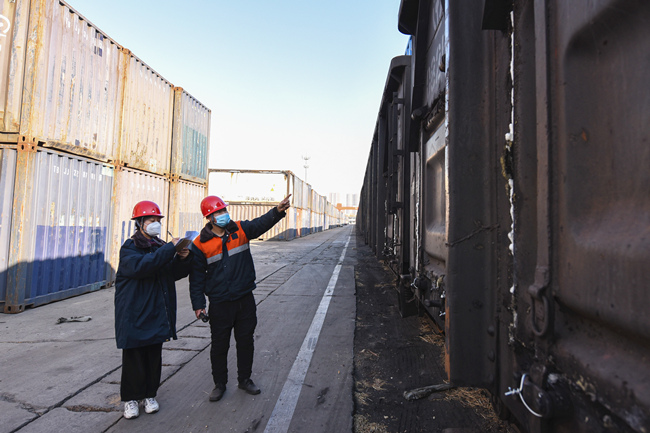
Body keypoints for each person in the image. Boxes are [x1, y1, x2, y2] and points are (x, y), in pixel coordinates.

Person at [189, 194, 291, 402]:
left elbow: (261, 224)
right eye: (218, 212)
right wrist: (199, 305)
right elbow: (196, 278)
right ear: (209, 218)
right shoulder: (200, 244)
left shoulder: (240, 230)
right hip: (220, 303)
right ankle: (220, 384)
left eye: (223, 210)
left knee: (245, 341)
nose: (223, 214)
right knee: (219, 346)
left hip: (244, 299)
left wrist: (278, 211)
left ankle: (244, 380)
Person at [114, 200, 192, 419]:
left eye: (158, 220)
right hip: (134, 313)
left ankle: (149, 395)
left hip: (156, 312)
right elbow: (142, 267)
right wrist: (170, 248)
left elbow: (171, 273)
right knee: (134, 358)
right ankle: (130, 400)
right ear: (140, 223)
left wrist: (183, 259)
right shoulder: (129, 248)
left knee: (153, 357)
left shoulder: (160, 247)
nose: (155, 224)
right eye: (151, 220)